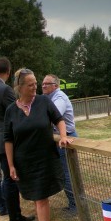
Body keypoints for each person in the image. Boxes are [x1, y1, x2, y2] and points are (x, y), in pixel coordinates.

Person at [5, 69, 72, 221]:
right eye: (31, 84)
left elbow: (59, 120)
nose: (36, 87)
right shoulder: (11, 110)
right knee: (36, 197)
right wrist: (10, 165)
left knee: (41, 199)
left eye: (36, 83)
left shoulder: (43, 102)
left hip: (44, 159)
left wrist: (64, 136)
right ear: (20, 87)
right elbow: (8, 139)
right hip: (24, 162)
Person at [0, 58, 36, 221]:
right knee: (11, 180)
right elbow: (17, 110)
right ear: (9, 71)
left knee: (6, 179)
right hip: (4, 141)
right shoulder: (4, 90)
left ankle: (17, 216)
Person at [42, 74, 77, 212]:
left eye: (47, 83)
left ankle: (75, 207)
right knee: (62, 172)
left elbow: (53, 116)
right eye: (43, 84)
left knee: (66, 173)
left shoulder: (59, 98)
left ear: (55, 86)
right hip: (57, 138)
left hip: (66, 138)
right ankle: (73, 204)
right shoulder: (48, 98)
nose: (43, 86)